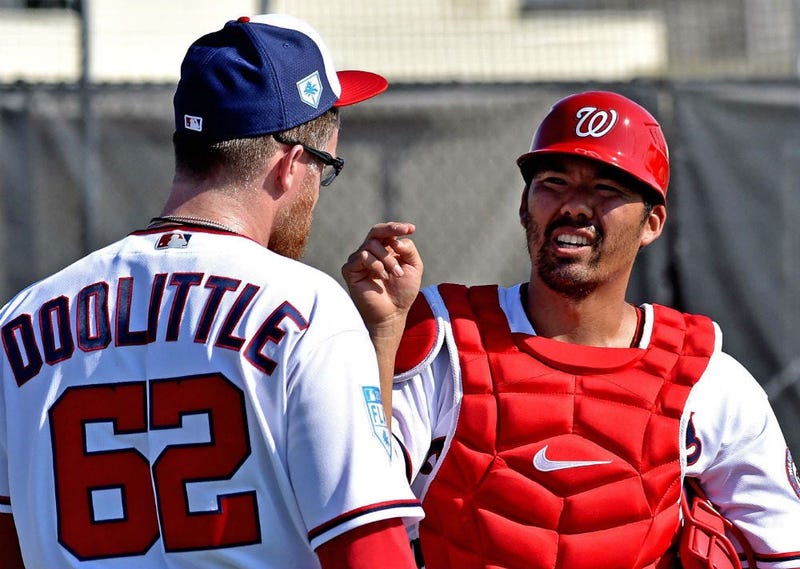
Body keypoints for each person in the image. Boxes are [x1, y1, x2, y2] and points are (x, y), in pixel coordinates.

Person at [0, 13, 423, 569]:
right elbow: (371, 555)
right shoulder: (308, 311)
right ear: (291, 165)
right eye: (327, 168)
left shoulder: (20, 320)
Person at [342, 91, 800, 569]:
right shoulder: (447, 340)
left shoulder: (704, 378)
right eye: (554, 182)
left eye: (606, 189)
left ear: (652, 223)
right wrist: (384, 332)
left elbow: (784, 547)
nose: (575, 206)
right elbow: (360, 502)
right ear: (524, 207)